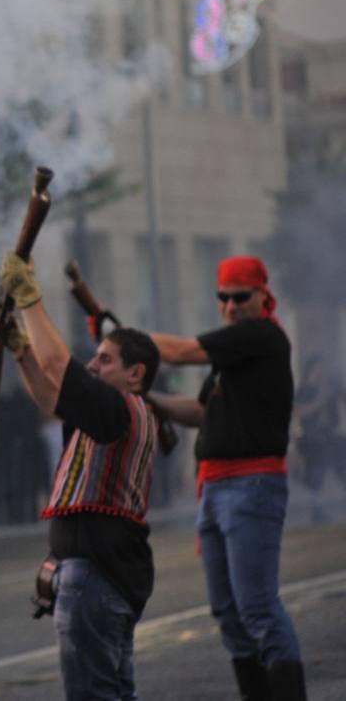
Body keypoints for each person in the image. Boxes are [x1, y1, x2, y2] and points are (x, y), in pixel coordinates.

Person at [0, 252, 160, 701]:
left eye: (105, 360)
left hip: (95, 578)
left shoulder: (118, 408)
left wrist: (30, 299)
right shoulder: (115, 411)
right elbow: (53, 398)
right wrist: (20, 351)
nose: (93, 364)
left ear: (135, 374)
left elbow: (60, 368)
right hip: (101, 575)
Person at [146, 255, 307, 700]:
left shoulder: (261, 336)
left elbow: (177, 353)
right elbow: (199, 412)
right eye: (224, 297)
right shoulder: (232, 353)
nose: (231, 306)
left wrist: (125, 344)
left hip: (250, 484)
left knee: (256, 607)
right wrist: (145, 396)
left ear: (261, 296)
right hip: (216, 488)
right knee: (228, 612)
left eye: (241, 297)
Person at [292, 354, 346, 523]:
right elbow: (301, 411)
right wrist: (320, 400)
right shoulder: (304, 390)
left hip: (331, 437)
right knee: (316, 475)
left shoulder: (329, 388)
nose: (324, 371)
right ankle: (318, 511)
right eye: (321, 367)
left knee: (342, 469)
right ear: (313, 368)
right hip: (312, 440)